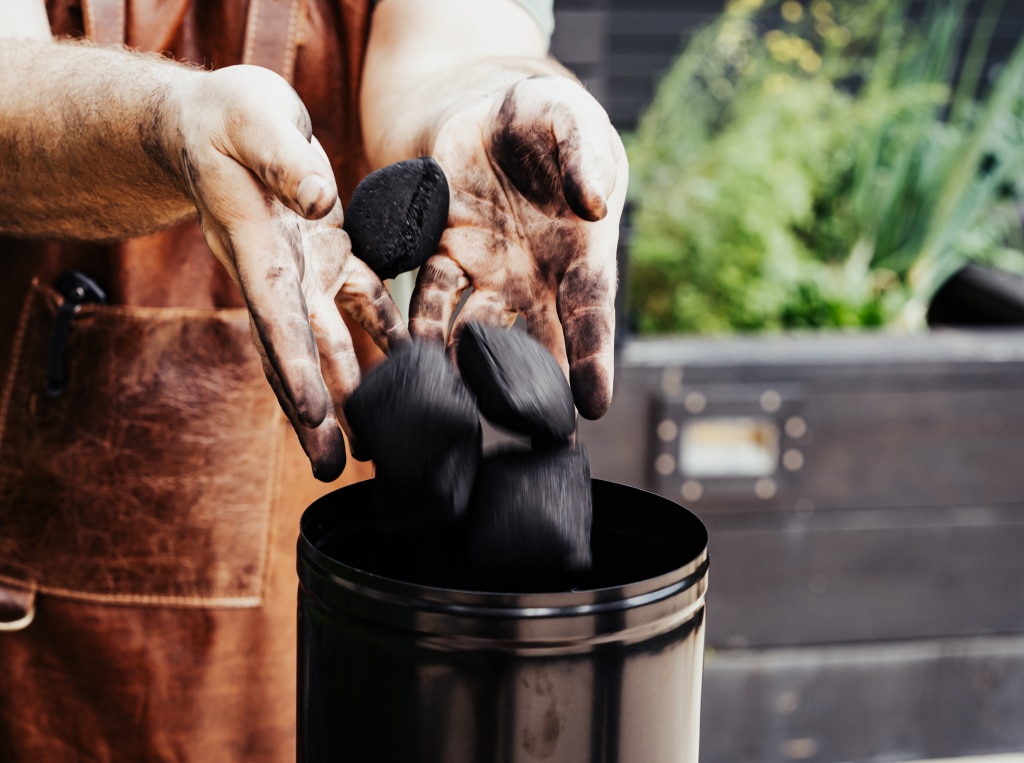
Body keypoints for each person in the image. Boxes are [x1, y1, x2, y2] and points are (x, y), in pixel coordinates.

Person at [0, 0, 627, 759]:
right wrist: (173, 123)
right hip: (40, 603)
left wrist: (495, 101)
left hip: (338, 547)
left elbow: (455, 49)